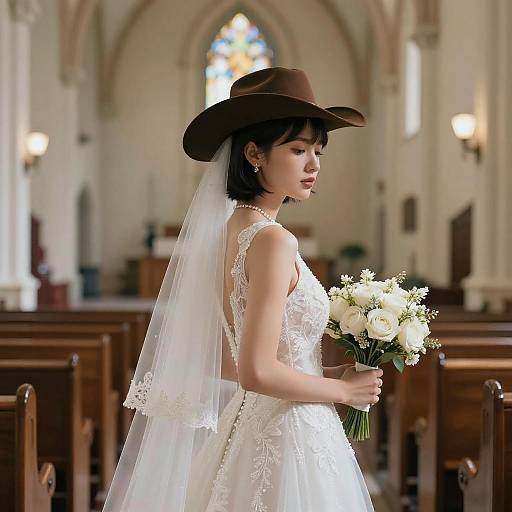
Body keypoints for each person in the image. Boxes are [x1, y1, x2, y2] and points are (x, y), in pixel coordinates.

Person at [102, 67, 382, 512]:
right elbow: (255, 372)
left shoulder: (233, 230)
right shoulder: (272, 240)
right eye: (297, 149)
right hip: (286, 435)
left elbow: (229, 360)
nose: (313, 164)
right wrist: (343, 393)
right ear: (254, 153)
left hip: (256, 426)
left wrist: (331, 374)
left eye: (317, 150)